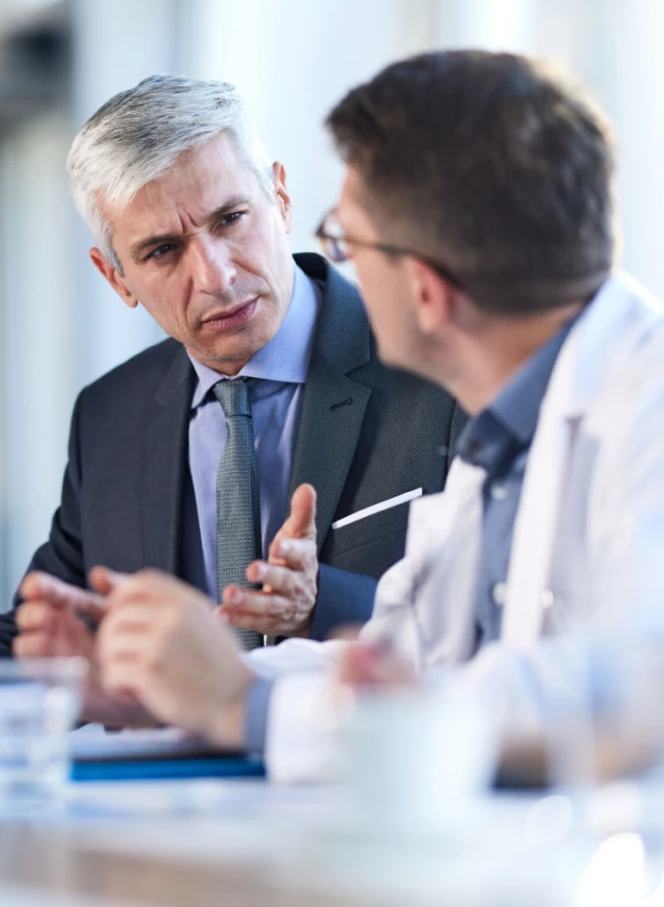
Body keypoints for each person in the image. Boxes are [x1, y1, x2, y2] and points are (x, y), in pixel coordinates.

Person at [85, 50, 664, 777]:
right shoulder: (511, 434)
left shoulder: (641, 409)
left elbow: (623, 698)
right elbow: (406, 656)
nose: (339, 270)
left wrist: (243, 706)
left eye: (345, 242)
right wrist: (174, 688)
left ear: (424, 288)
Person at [0, 75, 462, 733]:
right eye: (163, 251)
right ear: (116, 278)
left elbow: (489, 628)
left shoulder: (438, 369)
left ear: (279, 197)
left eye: (230, 219)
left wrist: (322, 604)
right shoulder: (112, 416)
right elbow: (57, 635)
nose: (216, 275)